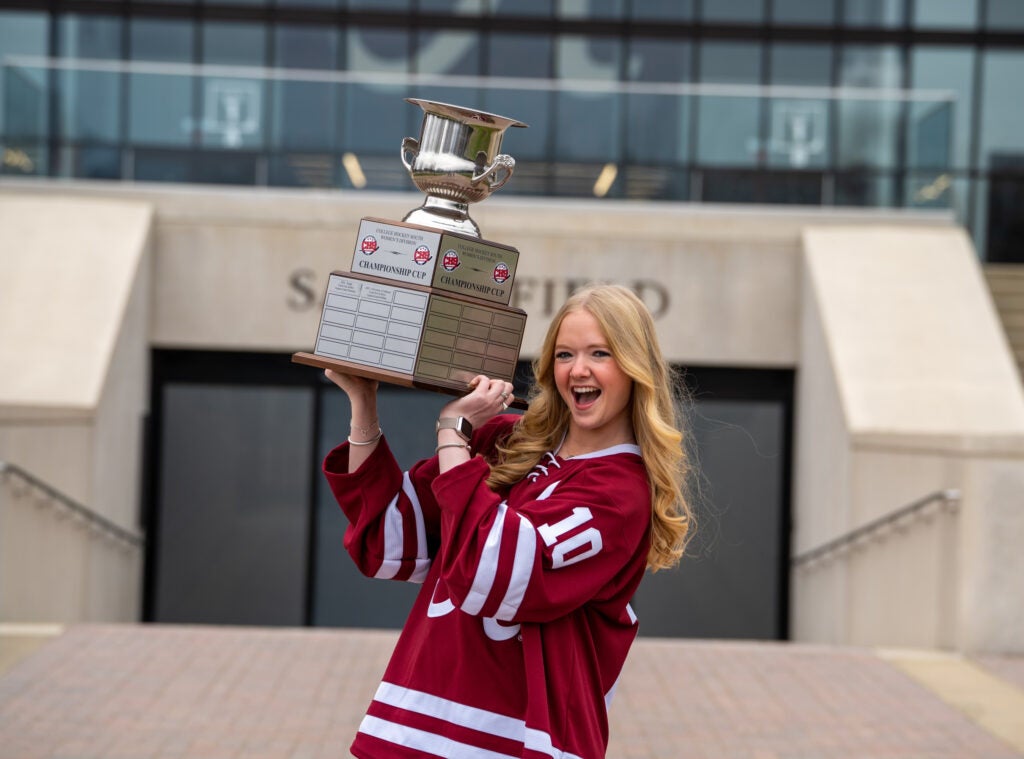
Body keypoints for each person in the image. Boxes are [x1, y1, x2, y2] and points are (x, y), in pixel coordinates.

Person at [322, 283, 692, 759]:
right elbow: (390, 540)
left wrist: (454, 434)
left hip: (508, 739)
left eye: (600, 353)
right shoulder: (506, 441)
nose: (578, 370)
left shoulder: (621, 493)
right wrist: (364, 402)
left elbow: (495, 577)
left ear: (636, 368)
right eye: (564, 354)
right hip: (412, 724)